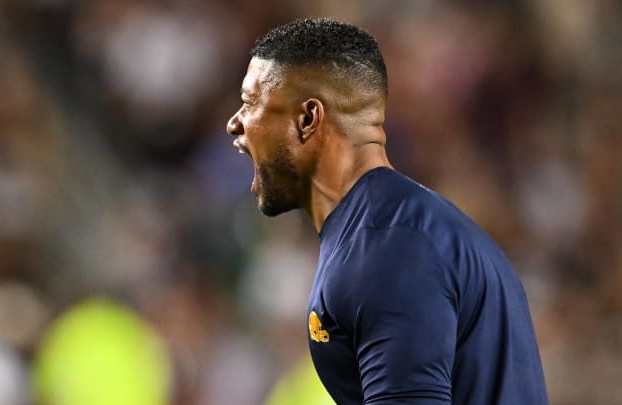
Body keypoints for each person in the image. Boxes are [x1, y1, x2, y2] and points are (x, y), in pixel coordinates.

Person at [226, 18, 548, 405]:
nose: (234, 124)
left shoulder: (388, 249)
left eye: (249, 103)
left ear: (308, 119)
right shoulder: (392, 229)